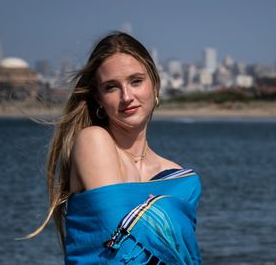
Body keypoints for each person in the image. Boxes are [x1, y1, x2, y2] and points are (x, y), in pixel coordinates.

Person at [27, 31, 202, 264]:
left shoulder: (184, 182)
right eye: (111, 87)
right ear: (99, 98)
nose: (127, 96)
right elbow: (120, 252)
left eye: (136, 81)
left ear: (155, 86)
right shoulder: (93, 142)